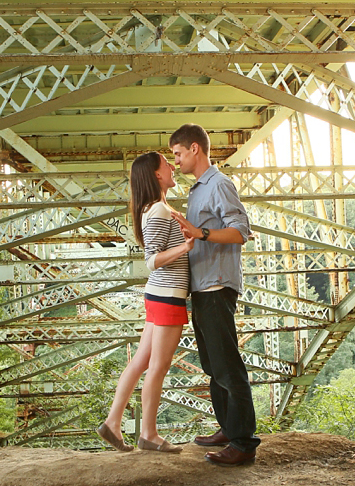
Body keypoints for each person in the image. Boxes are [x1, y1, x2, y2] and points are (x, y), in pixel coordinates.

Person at [168, 123, 260, 467]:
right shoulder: (197, 191)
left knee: (227, 366)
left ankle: (243, 443)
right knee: (212, 365)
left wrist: (199, 232)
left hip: (217, 285)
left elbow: (240, 232)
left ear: (194, 149)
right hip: (202, 285)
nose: (175, 160)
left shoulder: (219, 184)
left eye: (177, 153)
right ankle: (228, 427)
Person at [96, 151, 193, 454]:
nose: (172, 166)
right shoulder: (159, 211)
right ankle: (149, 434)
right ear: (156, 175)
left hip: (159, 295)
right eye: (167, 163)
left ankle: (112, 424)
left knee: (140, 362)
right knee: (158, 367)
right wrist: (187, 246)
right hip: (167, 296)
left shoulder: (156, 208)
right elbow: (151, 260)